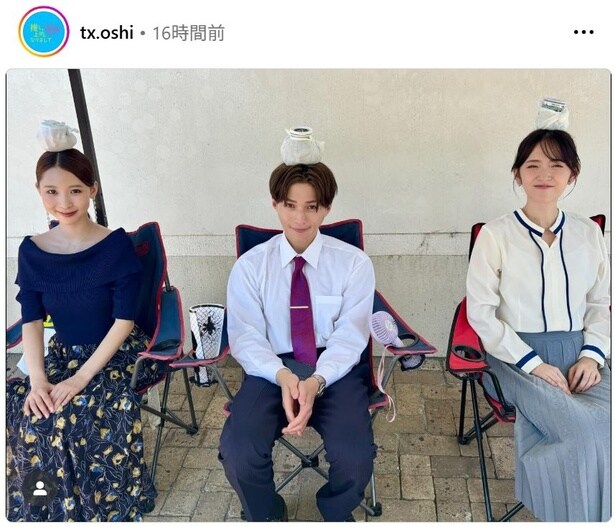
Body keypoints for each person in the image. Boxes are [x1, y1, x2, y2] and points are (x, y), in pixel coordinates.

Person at [218, 130, 377, 522]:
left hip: (333, 369)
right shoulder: (251, 267)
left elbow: (351, 336)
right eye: (289, 205)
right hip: (271, 367)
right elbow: (246, 336)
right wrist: (284, 375)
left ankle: (335, 510)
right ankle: (267, 513)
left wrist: (317, 380)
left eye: (311, 207)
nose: (300, 218)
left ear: (327, 208)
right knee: (238, 451)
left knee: (356, 456)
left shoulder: (353, 264)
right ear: (275, 204)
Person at [6, 122, 159, 521]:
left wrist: (79, 379)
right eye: (52, 191)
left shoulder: (115, 246)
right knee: (30, 409)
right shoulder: (32, 250)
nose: (64, 202)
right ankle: (48, 506)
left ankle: (104, 504)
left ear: (92, 189)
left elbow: (124, 320)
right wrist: (38, 379)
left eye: (75, 190)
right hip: (63, 353)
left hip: (115, 352)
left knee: (81, 407)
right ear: (39, 192)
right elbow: (32, 319)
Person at [466, 127, 610, 521]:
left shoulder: (589, 233)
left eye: (557, 165)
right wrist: (534, 364)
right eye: (532, 165)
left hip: (580, 354)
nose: (544, 174)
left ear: (572, 174)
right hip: (515, 356)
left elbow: (600, 303)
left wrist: (592, 356)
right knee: (582, 431)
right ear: (517, 174)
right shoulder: (495, 235)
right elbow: (480, 313)